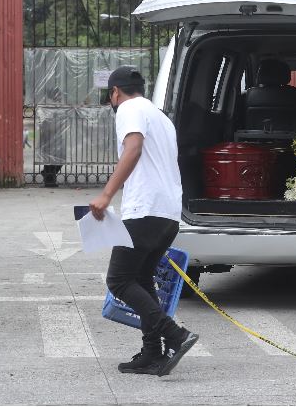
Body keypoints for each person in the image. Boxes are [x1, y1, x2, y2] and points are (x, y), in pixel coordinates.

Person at [89, 66, 198, 376]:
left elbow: (133, 148)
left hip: (145, 210)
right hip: (168, 213)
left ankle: (175, 335)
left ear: (115, 92)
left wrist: (106, 195)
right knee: (143, 278)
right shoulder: (159, 116)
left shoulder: (129, 108)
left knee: (120, 280)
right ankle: (152, 351)